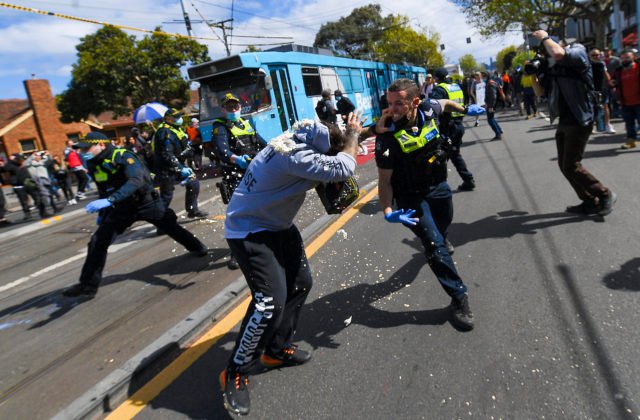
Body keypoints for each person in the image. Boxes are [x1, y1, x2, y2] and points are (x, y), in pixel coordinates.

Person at [219, 113, 365, 416]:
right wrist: (351, 137)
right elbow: (344, 166)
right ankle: (235, 371)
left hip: (277, 225)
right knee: (268, 303)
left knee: (301, 283)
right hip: (250, 231)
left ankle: (275, 350)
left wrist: (356, 132)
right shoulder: (297, 156)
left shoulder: (298, 139)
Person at [375, 78, 486, 335]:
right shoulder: (387, 135)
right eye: (389, 103)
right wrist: (388, 211)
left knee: (443, 227)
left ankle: (440, 241)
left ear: (415, 101)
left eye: (399, 103)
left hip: (439, 187)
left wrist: (464, 109)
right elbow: (384, 181)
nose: (393, 109)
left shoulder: (428, 108)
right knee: (434, 244)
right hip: (410, 196)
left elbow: (445, 102)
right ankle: (459, 297)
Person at [62, 132, 208, 298]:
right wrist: (103, 212)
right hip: (121, 208)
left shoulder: (123, 156)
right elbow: (104, 188)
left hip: (146, 203)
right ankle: (87, 285)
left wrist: (110, 200)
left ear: (101, 145)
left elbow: (136, 180)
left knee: (171, 227)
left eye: (87, 148)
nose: (83, 152)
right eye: (82, 149)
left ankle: (197, 247)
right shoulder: (95, 163)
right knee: (97, 242)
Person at [531, 30, 616, 216]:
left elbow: (559, 54)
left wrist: (544, 36)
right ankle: (589, 201)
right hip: (565, 120)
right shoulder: (553, 67)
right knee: (564, 165)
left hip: (581, 117)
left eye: (547, 47)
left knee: (571, 165)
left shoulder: (577, 51)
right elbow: (539, 93)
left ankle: (605, 194)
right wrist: (532, 74)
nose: (546, 53)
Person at [211, 93, 267, 270]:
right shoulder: (220, 127)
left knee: (261, 209)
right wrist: (237, 159)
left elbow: (260, 143)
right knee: (238, 215)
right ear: (223, 109)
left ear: (240, 107)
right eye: (229, 107)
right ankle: (237, 253)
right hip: (235, 174)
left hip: (254, 172)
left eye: (235, 107)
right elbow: (222, 151)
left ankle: (262, 243)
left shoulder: (246, 123)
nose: (233, 110)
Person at [153, 108, 208, 219]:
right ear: (168, 119)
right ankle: (160, 222)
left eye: (179, 116)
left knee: (193, 182)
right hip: (166, 168)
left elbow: (183, 146)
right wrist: (180, 168)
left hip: (178, 164)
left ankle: (192, 209)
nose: (179, 119)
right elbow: (167, 154)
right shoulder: (164, 132)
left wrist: (188, 151)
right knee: (167, 195)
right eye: (176, 117)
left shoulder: (177, 129)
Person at [430, 67, 476, 191]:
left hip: (447, 127)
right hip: (459, 125)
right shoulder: (456, 86)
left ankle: (438, 186)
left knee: (440, 157)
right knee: (454, 154)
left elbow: (434, 107)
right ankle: (468, 180)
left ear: (437, 78)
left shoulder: (439, 89)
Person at [611, 49, 640, 149]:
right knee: (629, 123)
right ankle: (631, 141)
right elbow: (613, 82)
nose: (625, 60)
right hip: (626, 102)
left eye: (627, 57)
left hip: (639, 101)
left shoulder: (638, 67)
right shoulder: (618, 70)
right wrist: (613, 86)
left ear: (633, 57)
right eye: (623, 58)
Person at [589, 49, 616, 134]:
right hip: (591, 89)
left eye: (597, 54)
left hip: (602, 88)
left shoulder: (602, 63)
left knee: (605, 106)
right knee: (592, 108)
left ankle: (607, 125)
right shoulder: (587, 64)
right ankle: (592, 127)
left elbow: (606, 74)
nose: (596, 56)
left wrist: (611, 84)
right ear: (590, 56)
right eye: (593, 55)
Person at [483, 71, 505, 140]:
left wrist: (491, 106)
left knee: (490, 120)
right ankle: (499, 130)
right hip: (491, 104)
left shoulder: (490, 83)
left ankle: (498, 134)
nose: (483, 77)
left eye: (484, 76)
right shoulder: (490, 82)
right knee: (492, 118)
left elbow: (493, 96)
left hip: (491, 104)